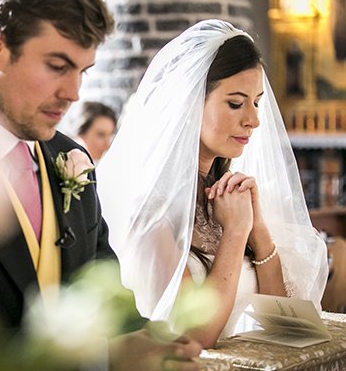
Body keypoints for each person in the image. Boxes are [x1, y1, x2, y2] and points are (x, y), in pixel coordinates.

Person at [0, 0, 202, 369]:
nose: (74, 93)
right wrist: (104, 358)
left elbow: (104, 288)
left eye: (83, 70)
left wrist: (150, 343)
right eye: (58, 65)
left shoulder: (71, 158)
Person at [98, 19, 329, 348]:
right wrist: (234, 235)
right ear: (190, 103)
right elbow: (194, 338)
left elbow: (289, 327)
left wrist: (258, 233)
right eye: (236, 103)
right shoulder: (153, 215)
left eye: (257, 102)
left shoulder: (232, 197)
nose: (254, 120)